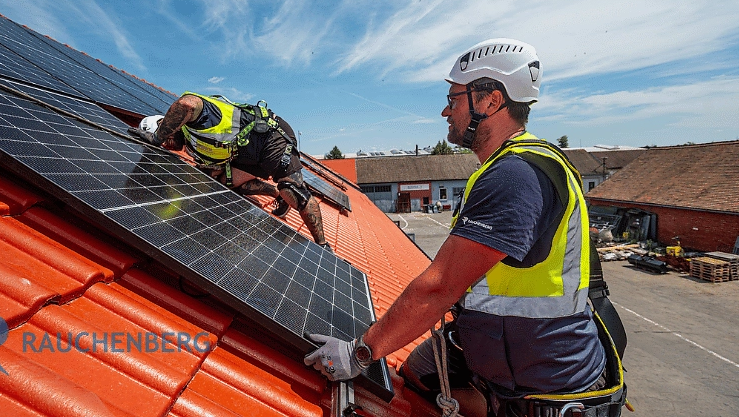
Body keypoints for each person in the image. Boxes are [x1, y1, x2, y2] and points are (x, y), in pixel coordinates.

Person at [304, 39, 624, 417]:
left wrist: (360, 352)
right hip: (505, 364)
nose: (445, 110)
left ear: (489, 101)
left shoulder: (515, 176)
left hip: (546, 389)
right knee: (420, 371)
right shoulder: (519, 163)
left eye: (453, 98)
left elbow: (440, 286)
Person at [128, 92, 328, 247]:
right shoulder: (190, 145)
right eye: (164, 144)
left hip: (269, 136)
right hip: (244, 154)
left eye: (166, 137)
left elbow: (186, 103)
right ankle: (276, 194)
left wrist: (156, 138)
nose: (167, 144)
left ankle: (323, 246)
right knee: (222, 182)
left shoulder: (199, 120)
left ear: (168, 126)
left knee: (292, 190)